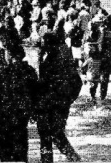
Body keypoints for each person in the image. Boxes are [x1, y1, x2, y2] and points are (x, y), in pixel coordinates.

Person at [36, 31, 82, 163]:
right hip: (51, 104)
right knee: (51, 135)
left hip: (54, 104)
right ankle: (67, 158)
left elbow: (76, 82)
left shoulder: (57, 61)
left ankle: (71, 158)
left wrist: (67, 99)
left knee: (53, 134)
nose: (42, 46)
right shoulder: (53, 59)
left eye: (45, 44)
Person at [0, 43, 38, 162]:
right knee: (21, 136)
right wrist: (33, 110)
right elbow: (36, 92)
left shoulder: (6, 72)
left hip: (5, 112)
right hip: (23, 111)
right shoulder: (30, 71)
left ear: (10, 55)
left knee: (5, 140)